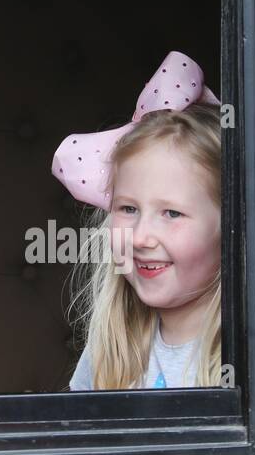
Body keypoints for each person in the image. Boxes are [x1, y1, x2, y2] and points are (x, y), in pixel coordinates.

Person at [52, 51, 223, 390]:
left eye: (171, 213)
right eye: (128, 209)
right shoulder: (109, 349)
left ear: (230, 228)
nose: (141, 237)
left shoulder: (251, 356)